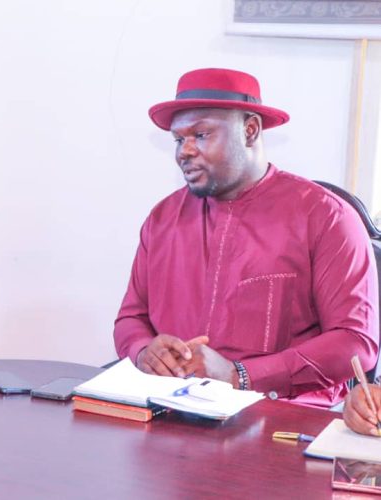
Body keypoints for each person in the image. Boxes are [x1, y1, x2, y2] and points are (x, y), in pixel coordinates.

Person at [113, 68, 379, 408]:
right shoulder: (162, 219)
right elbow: (131, 318)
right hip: (170, 411)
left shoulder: (326, 217)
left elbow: (355, 342)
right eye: (179, 140)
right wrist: (143, 352)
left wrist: (239, 375)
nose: (184, 151)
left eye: (201, 135)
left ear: (250, 130)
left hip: (281, 419)